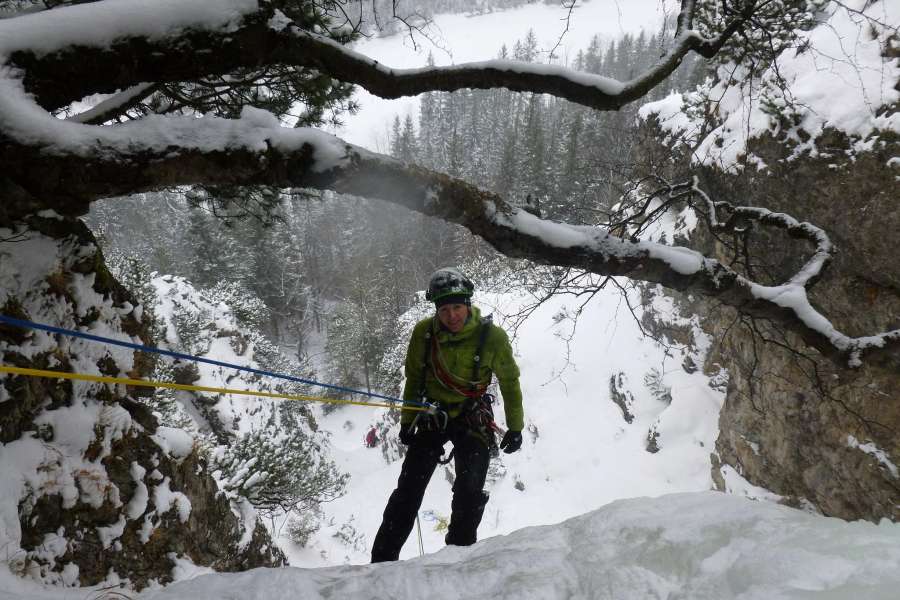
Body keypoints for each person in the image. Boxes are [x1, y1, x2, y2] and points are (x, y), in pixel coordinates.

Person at [371, 267, 523, 562]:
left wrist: (515, 427)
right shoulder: (424, 333)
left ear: (468, 304)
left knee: (469, 492)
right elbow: (415, 378)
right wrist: (407, 421)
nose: (451, 316)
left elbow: (509, 382)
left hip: (471, 417)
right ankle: (381, 562)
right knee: (408, 491)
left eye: (456, 307)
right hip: (433, 416)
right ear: (436, 310)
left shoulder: (491, 337)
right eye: (443, 309)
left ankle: (457, 559)